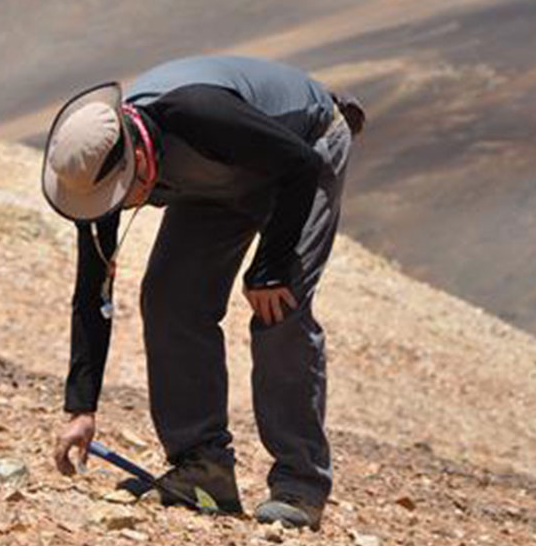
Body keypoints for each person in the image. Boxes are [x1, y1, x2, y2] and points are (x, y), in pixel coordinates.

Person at [43, 54, 363, 529]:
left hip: (303, 147)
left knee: (280, 308)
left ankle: (300, 484)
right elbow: (93, 291)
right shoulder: (97, 170)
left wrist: (270, 267)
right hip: (224, 175)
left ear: (140, 160)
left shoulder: (199, 115)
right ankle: (204, 470)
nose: (119, 205)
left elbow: (299, 166)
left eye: (121, 193)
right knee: (170, 299)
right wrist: (81, 408)